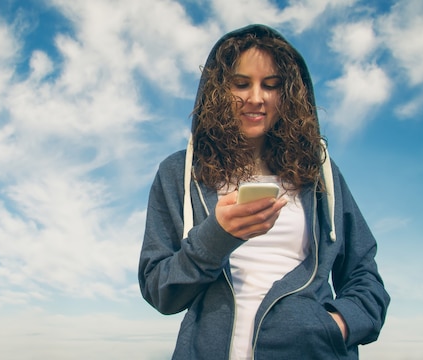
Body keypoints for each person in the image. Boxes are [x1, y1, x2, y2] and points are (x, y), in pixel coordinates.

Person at [138, 24, 390, 360]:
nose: (256, 98)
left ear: (288, 95)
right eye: (241, 84)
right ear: (217, 91)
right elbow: (159, 289)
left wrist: (337, 326)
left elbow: (364, 276)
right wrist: (218, 236)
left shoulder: (320, 174)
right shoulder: (180, 173)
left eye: (270, 86)